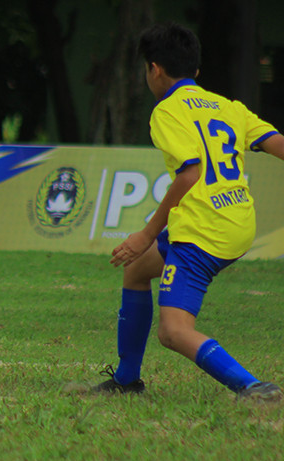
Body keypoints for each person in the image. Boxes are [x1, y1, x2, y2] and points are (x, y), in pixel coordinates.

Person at [97, 22, 284, 400]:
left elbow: (190, 174)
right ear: (196, 71)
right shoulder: (228, 107)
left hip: (203, 231)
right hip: (237, 222)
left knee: (174, 331)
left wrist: (146, 234)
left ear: (155, 69)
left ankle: (253, 388)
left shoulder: (167, 112)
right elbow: (278, 143)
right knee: (137, 269)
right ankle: (126, 380)